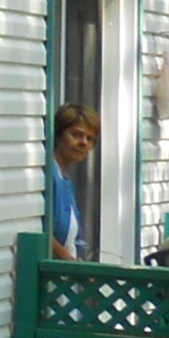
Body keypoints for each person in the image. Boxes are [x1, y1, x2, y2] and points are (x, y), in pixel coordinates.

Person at [50, 103, 101, 260]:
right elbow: (41, 231)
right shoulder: (48, 176)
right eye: (76, 135)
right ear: (58, 135)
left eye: (90, 138)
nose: (84, 143)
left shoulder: (64, 179)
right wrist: (72, 264)